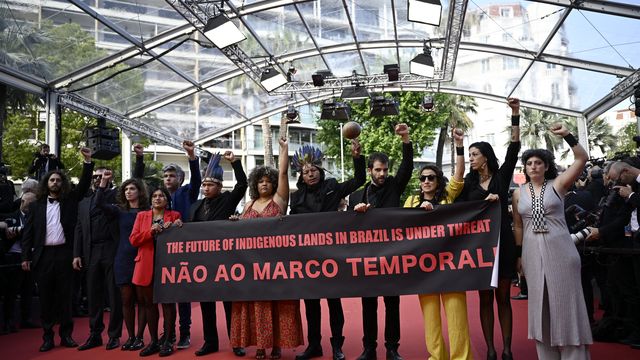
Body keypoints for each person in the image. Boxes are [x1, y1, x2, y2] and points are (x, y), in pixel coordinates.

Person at [511, 124, 591, 359]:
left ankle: (574, 355)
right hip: (531, 252)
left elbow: (582, 158)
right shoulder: (518, 192)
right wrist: (519, 255)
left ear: (546, 166)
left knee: (566, 303)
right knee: (539, 305)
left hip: (561, 251)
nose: (533, 166)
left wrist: (567, 135)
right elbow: (518, 224)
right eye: (529, 163)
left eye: (538, 162)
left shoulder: (558, 184)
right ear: (525, 167)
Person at [457, 98, 521, 360]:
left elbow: (514, 148)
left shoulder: (502, 177)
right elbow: (456, 207)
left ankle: (506, 349)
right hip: (479, 246)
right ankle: (491, 350)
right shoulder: (468, 182)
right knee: (484, 298)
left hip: (503, 241)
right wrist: (458, 146)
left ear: (485, 157)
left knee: (503, 297)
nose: (471, 159)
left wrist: (515, 114)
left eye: (474, 154)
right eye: (469, 155)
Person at [230, 136, 304, 360]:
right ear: (255, 184)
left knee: (277, 304)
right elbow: (241, 231)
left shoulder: (280, 201)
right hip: (252, 265)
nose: (264, 184)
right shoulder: (249, 205)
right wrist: (235, 222)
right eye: (260, 181)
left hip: (276, 263)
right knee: (257, 305)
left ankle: (277, 346)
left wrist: (284, 149)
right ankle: (260, 346)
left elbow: (283, 174)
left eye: (268, 181)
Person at [290, 140, 365, 360]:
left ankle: (337, 346)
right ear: (301, 176)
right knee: (311, 305)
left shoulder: (332, 186)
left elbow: (359, 180)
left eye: (313, 170)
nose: (310, 174)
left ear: (320, 171)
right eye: (306, 172)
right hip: (307, 259)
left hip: (332, 256)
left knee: (334, 303)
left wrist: (356, 157)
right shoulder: (296, 197)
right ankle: (315, 345)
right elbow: (291, 225)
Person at [403, 129, 471, 360]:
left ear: (438, 180)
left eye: (431, 177)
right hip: (424, 267)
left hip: (451, 264)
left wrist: (459, 144)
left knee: (457, 316)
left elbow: (460, 173)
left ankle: (460, 357)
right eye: (423, 178)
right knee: (430, 318)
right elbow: (401, 228)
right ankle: (436, 357)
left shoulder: (448, 197)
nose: (426, 181)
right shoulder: (411, 201)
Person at [349, 123, 413, 360]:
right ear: (370, 170)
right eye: (378, 170)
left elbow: (407, 168)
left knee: (392, 304)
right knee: (368, 305)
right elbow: (348, 228)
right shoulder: (357, 195)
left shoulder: (395, 186)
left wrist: (405, 140)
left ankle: (392, 348)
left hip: (392, 255)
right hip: (367, 257)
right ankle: (369, 348)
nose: (383, 174)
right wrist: (356, 212)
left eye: (385, 170)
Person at [21, 147, 94, 352]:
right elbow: (27, 234)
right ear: (46, 184)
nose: (55, 183)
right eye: (52, 180)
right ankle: (47, 337)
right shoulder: (36, 206)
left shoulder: (70, 201)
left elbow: (84, 186)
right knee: (45, 297)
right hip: (43, 256)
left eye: (58, 180)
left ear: (63, 183)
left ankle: (66, 335)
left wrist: (87, 162)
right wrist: (25, 257)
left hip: (65, 254)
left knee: (66, 297)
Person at [187, 151, 247, 357]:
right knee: (206, 304)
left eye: (210, 185)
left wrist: (235, 163)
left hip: (225, 261)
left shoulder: (227, 200)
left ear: (220, 187)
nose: (205, 188)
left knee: (229, 303)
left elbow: (242, 185)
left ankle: (235, 342)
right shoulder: (195, 206)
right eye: (204, 185)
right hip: (203, 263)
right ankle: (210, 342)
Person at [95, 153, 149, 351]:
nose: (128, 192)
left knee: (143, 301)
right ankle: (131, 337)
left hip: (143, 259)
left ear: (139, 192)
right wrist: (104, 182)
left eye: (132, 188)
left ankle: (141, 337)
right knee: (126, 301)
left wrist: (140, 158)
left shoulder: (148, 211)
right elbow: (99, 204)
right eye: (125, 189)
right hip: (123, 259)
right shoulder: (119, 211)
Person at [73, 166, 124, 351]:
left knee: (113, 295)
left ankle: (114, 335)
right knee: (93, 295)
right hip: (91, 251)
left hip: (111, 248)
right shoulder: (83, 203)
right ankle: (94, 334)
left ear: (109, 178)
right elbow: (79, 229)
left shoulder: (116, 196)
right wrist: (77, 254)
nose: (97, 179)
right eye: (95, 176)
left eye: (101, 176)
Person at [130, 187, 183, 357]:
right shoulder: (141, 216)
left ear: (167, 200)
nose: (158, 198)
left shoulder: (175, 215)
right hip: (144, 265)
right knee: (148, 305)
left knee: (168, 303)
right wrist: (151, 231)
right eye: (155, 196)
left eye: (161, 196)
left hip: (167, 265)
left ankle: (167, 341)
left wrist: (177, 228)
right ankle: (153, 341)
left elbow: (181, 241)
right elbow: (134, 240)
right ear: (151, 199)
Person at [162, 140, 201, 350]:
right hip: (163, 251)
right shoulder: (158, 198)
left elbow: (197, 179)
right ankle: (169, 332)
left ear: (180, 178)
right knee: (166, 293)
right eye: (166, 176)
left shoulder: (188, 192)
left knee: (182, 293)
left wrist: (191, 156)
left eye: (172, 176)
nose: (168, 179)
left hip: (184, 248)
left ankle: (184, 332)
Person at [0, 191, 37, 333]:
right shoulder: (10, 217)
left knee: (28, 289)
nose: (33, 206)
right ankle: (8, 321)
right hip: (14, 258)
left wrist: (19, 229)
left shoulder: (36, 218)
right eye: (30, 203)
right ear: (22, 202)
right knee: (12, 291)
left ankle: (26, 319)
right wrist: (5, 226)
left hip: (30, 256)